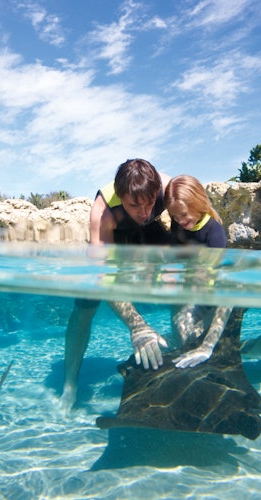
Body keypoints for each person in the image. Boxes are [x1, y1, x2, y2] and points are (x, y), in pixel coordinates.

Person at [61, 158, 171, 411]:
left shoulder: (168, 188)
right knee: (85, 306)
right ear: (121, 197)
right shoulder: (103, 213)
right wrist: (137, 325)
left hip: (149, 232)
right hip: (115, 235)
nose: (143, 211)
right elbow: (104, 278)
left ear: (156, 193)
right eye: (134, 205)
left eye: (150, 202)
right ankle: (70, 385)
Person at [164, 174, 233, 368]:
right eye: (175, 216)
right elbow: (172, 259)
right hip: (189, 294)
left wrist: (208, 345)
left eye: (184, 215)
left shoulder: (214, 232)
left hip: (211, 298)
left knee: (195, 342)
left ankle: (209, 346)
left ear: (198, 204)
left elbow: (219, 285)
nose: (179, 220)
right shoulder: (178, 224)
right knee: (184, 340)